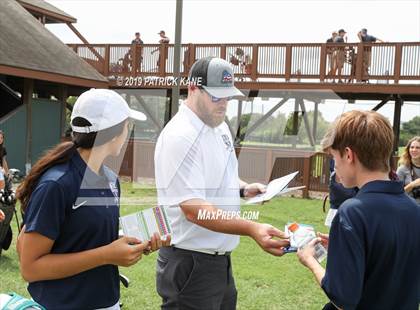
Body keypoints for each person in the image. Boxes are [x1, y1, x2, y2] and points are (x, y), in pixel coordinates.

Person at [154, 56, 289, 310]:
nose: (223, 104)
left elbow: (221, 176)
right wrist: (251, 228)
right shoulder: (180, 135)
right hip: (189, 261)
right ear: (193, 87)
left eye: (228, 97)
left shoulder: (218, 125)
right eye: (216, 96)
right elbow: (194, 210)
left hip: (218, 262)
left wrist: (243, 188)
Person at [16, 89, 170, 310]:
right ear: (114, 132)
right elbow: (30, 267)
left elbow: (83, 236)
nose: (128, 132)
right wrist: (107, 255)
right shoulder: (57, 184)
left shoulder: (110, 179)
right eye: (128, 126)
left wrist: (134, 243)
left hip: (107, 302)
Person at [297, 110, 420, 310]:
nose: (334, 167)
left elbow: (342, 300)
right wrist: (348, 246)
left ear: (348, 155)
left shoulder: (352, 212)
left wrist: (310, 260)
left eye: (333, 158)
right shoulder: (413, 210)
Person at [397, 136, 420, 204]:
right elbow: (395, 193)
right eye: (412, 147)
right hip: (409, 207)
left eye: (418, 148)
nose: (414, 150)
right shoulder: (402, 169)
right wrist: (412, 185)